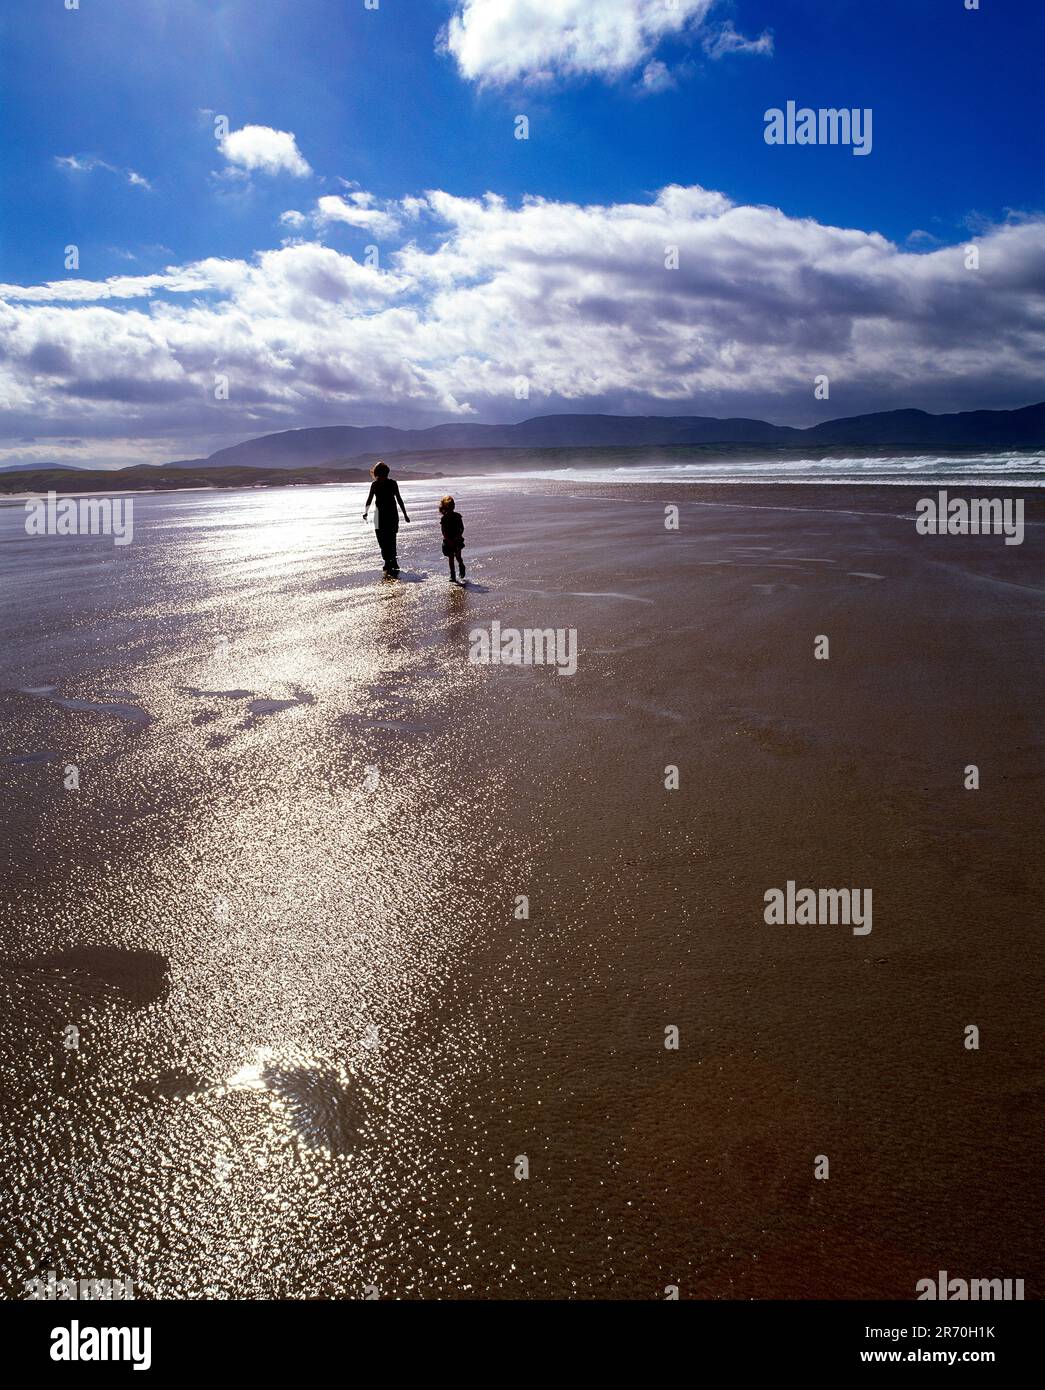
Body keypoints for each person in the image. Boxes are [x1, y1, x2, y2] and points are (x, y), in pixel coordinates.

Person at [362, 461, 410, 576]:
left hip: (388, 515)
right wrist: (366, 512)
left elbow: (399, 499)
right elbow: (369, 499)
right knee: (383, 540)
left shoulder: (392, 483)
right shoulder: (375, 485)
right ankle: (388, 561)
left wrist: (405, 514)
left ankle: (392, 561)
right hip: (380, 516)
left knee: (389, 539)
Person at [438, 495, 466, 584]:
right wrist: (449, 540)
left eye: (453, 505)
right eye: (449, 506)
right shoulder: (444, 518)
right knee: (450, 558)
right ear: (445, 507)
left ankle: (461, 566)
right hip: (448, 540)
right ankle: (452, 575)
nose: (451, 508)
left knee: (458, 557)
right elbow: (443, 531)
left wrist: (458, 536)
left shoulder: (458, 516)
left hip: (457, 539)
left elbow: (462, 528)